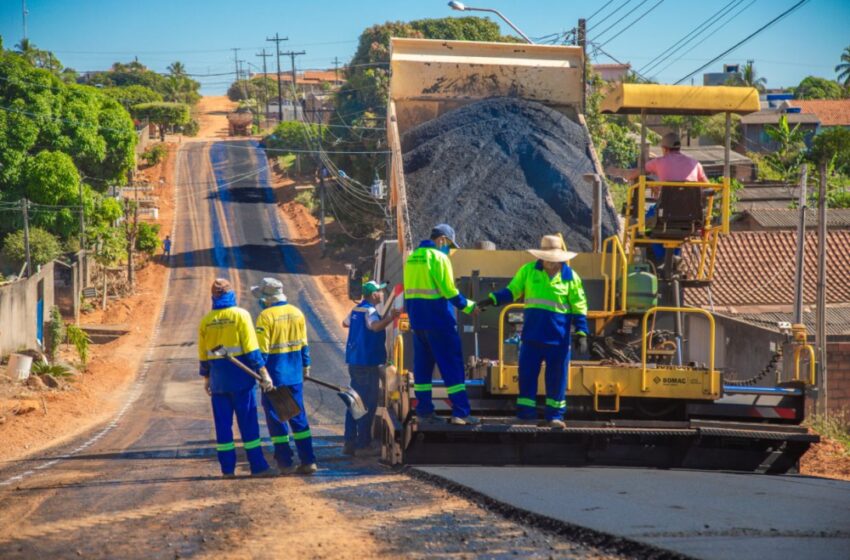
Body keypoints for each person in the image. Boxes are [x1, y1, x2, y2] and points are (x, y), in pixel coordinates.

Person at [478, 235, 588, 429]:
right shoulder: (528, 271)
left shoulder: (571, 277)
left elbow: (579, 306)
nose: (551, 262)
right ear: (542, 256)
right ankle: (525, 415)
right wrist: (492, 299)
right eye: (548, 258)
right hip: (532, 338)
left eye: (555, 259)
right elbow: (512, 291)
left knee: (557, 379)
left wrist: (582, 333)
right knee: (527, 376)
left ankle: (554, 417)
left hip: (558, 340)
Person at [198, 278, 276, 477]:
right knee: (248, 423)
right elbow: (251, 348)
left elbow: (203, 354)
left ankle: (227, 469)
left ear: (213, 296)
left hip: (218, 381)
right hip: (242, 379)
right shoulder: (241, 315)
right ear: (230, 294)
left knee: (223, 426)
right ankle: (257, 466)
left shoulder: (206, 320)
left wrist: (206, 379)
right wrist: (263, 372)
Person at [403, 223, 479, 425]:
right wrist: (470, 307)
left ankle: (425, 411)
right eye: (450, 245)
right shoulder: (439, 257)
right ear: (442, 240)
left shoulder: (412, 258)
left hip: (418, 323)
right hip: (439, 321)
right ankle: (461, 413)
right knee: (452, 367)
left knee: (422, 369)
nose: (449, 249)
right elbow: (449, 291)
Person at [252, 277, 317, 475]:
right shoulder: (297, 313)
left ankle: (285, 462)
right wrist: (306, 367)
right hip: (295, 374)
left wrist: (261, 373)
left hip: (275, 377)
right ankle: (308, 460)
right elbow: (304, 344)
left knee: (277, 419)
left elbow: (261, 351)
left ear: (267, 297)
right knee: (298, 417)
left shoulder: (266, 316)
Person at [627, 132, 709, 265]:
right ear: (679, 148)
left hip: (665, 213)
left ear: (664, 148)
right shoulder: (695, 164)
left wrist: (636, 179)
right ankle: (674, 260)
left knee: (642, 228)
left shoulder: (659, 161)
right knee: (678, 234)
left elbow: (635, 174)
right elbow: (707, 186)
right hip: (692, 217)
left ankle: (661, 259)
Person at [341, 280, 400, 456]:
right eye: (380, 291)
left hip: (355, 361)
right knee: (367, 403)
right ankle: (363, 445)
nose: (382, 294)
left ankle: (349, 443)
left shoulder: (356, 309)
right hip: (367, 363)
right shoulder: (371, 310)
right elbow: (375, 327)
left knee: (354, 402)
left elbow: (345, 323)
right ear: (374, 294)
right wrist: (390, 317)